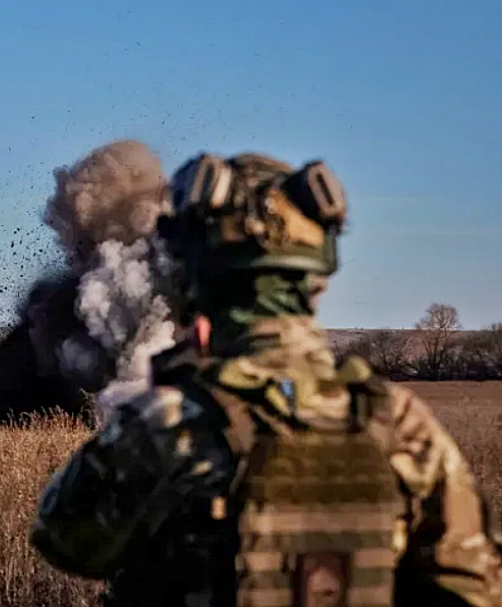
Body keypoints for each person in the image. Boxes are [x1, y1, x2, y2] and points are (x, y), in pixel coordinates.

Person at [29, 152, 502, 606]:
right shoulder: (400, 426)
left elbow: (63, 540)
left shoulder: (167, 425)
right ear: (318, 273)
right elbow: (477, 586)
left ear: (194, 273)